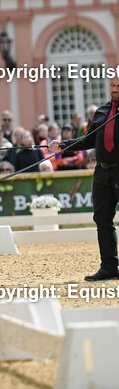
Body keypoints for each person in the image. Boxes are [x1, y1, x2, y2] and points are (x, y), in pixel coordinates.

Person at [49, 76, 119, 281]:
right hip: (102, 171)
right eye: (112, 85)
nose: (115, 88)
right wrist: (63, 145)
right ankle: (109, 267)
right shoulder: (102, 111)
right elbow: (89, 140)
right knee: (102, 220)